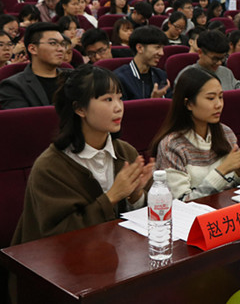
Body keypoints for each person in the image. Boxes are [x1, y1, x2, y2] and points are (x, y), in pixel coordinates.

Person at [12, 65, 154, 245]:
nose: (119, 107)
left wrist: (136, 194)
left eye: (120, 98)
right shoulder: (50, 167)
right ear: (80, 109)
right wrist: (111, 197)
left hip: (115, 251)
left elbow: (141, 224)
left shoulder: (126, 152)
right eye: (108, 99)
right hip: (61, 257)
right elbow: (58, 236)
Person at [152, 67, 240, 200]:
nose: (219, 104)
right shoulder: (172, 145)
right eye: (211, 98)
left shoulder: (226, 133)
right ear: (188, 104)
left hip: (228, 209)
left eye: (221, 97)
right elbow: (182, 202)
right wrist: (222, 170)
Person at [0, 23, 68, 109]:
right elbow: (23, 117)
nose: (61, 49)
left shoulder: (74, 78)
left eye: (63, 44)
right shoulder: (13, 86)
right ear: (32, 49)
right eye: (53, 43)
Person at [114, 26, 171, 100]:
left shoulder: (161, 75)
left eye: (162, 48)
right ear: (139, 48)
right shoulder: (120, 78)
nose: (162, 53)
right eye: (157, 47)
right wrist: (153, 102)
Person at [175, 30, 240, 91]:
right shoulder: (186, 77)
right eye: (215, 59)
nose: (219, 63)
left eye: (222, 59)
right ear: (200, 53)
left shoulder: (227, 73)